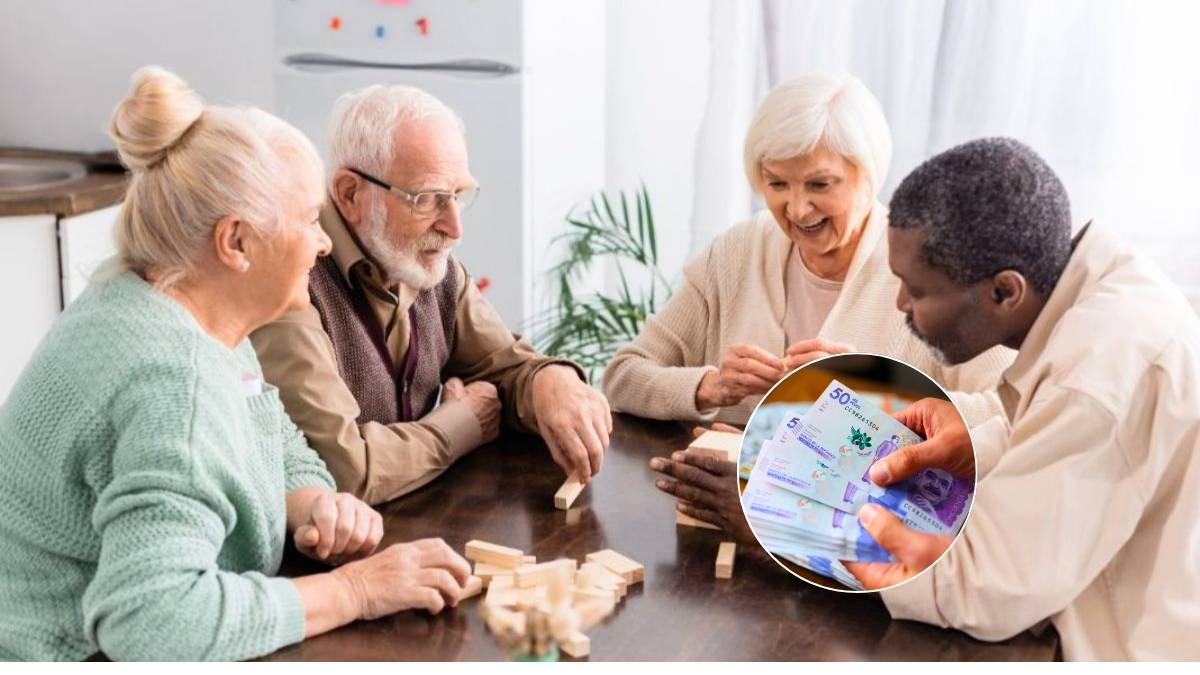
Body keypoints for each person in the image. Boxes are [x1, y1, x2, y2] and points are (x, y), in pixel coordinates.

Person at [0, 67, 472, 661]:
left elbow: (271, 433)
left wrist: (309, 502)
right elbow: (152, 624)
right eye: (307, 220)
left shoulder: (176, 299)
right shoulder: (173, 378)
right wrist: (354, 590)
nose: (324, 242)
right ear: (236, 244)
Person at [864, 137, 1200, 660]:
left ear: (1005, 291)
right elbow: (1074, 439)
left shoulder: (1094, 373)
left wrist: (809, 539)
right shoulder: (1109, 285)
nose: (901, 303)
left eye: (919, 290)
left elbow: (985, 591)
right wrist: (982, 447)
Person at [251, 85, 611, 505]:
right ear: (351, 194)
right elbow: (345, 469)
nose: (454, 227)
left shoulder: (422, 263)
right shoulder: (294, 279)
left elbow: (504, 369)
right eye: (428, 200)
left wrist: (551, 381)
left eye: (458, 196)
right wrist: (460, 424)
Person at [606, 72, 1012, 428]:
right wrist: (709, 387)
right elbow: (624, 376)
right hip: (717, 500)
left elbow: (1008, 409)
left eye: (820, 185)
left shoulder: (932, 269)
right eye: (778, 184)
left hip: (864, 510)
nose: (797, 209)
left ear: (868, 177)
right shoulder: (735, 253)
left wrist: (878, 397)